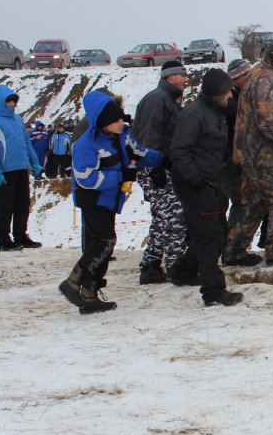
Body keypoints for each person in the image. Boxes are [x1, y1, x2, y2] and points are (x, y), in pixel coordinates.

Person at [60, 90, 161, 313]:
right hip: (93, 199)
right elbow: (86, 178)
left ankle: (89, 295)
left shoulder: (122, 134)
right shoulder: (86, 144)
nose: (120, 122)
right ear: (103, 122)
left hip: (110, 199)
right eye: (115, 120)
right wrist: (120, 177)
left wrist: (163, 158)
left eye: (120, 117)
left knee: (105, 244)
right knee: (104, 242)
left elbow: (138, 152)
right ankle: (73, 281)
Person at [223, 41, 273, 266]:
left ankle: (234, 250)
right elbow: (268, 119)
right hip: (264, 155)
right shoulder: (267, 79)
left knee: (255, 202)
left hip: (251, 154)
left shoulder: (259, 74)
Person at [169, 68, 244, 306]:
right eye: (226, 92)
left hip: (210, 180)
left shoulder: (214, 110)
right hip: (196, 184)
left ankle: (183, 271)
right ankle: (213, 290)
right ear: (214, 93)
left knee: (214, 230)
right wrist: (197, 182)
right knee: (210, 236)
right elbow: (179, 151)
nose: (230, 96)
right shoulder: (195, 114)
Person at [132, 60, 192, 285]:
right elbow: (150, 136)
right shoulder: (157, 99)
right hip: (154, 167)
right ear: (170, 76)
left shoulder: (169, 100)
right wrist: (154, 167)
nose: (186, 79)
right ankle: (177, 268)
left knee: (161, 218)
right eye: (182, 75)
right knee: (176, 216)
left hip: (163, 166)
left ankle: (150, 266)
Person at [0, 85, 42, 251]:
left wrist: (34, 162)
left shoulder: (18, 120)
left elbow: (27, 143)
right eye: (9, 101)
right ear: (1, 102)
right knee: (5, 206)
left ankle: (20, 235)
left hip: (21, 168)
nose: (12, 104)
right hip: (5, 171)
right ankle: (4, 240)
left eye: (13, 101)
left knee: (22, 204)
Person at [221, 58, 257, 239]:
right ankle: (232, 246)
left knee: (241, 201)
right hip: (229, 160)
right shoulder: (230, 102)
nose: (251, 78)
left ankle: (232, 245)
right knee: (240, 201)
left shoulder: (239, 97)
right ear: (238, 77)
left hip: (237, 157)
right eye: (247, 75)